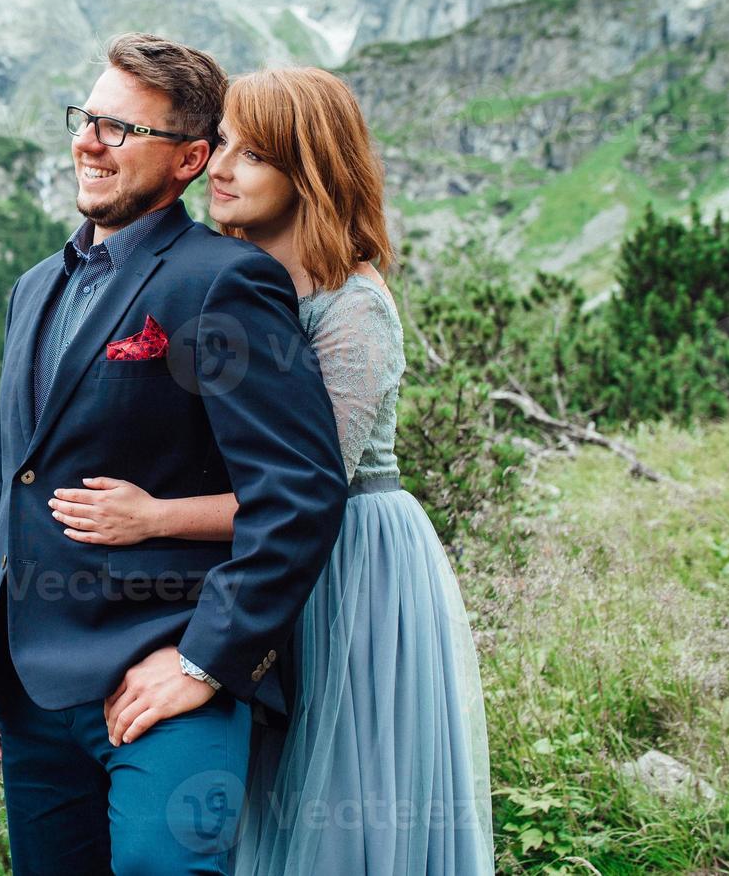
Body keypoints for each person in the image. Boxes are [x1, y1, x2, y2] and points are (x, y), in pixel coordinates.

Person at [47, 67, 495, 874]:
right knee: (251, 804)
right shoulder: (232, 282)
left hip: (350, 564)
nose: (218, 168)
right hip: (253, 571)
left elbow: (311, 490)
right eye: (220, 144)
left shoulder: (353, 307)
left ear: (310, 172)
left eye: (252, 156)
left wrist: (154, 518)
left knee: (339, 794)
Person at [0, 32, 349, 875]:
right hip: (32, 691)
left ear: (189, 159)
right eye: (87, 118)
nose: (89, 142)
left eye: (122, 130)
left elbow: (303, 493)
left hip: (168, 679)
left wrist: (206, 660)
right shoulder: (35, 287)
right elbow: (12, 489)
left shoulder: (223, 281)